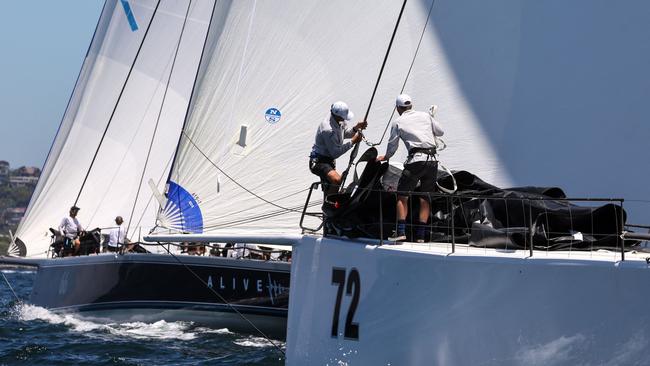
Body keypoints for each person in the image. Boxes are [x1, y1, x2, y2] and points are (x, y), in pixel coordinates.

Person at [377, 94, 444, 242]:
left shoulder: (398, 122)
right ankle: (421, 235)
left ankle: (401, 231)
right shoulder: (425, 116)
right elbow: (440, 132)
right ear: (411, 106)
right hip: (433, 161)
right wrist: (431, 118)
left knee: (402, 195)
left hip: (416, 161)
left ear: (398, 108)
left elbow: (392, 145)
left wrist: (386, 157)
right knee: (425, 197)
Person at [310, 101, 367, 193]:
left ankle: (330, 200)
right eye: (343, 118)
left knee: (330, 185)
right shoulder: (327, 129)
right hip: (318, 161)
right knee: (337, 180)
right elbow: (335, 153)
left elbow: (345, 134)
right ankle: (330, 204)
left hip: (329, 161)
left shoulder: (338, 119)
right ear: (337, 116)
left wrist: (356, 128)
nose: (345, 120)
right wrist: (352, 142)